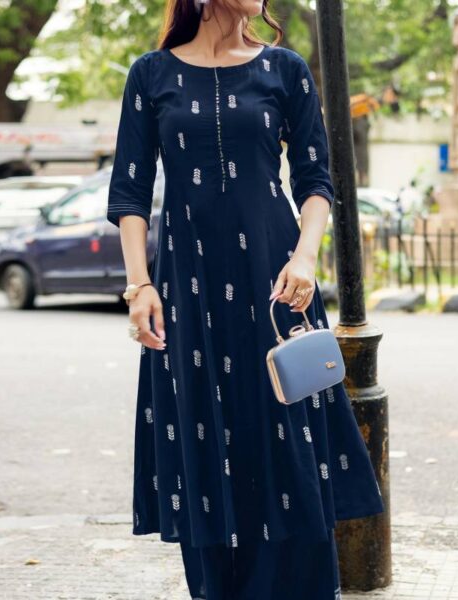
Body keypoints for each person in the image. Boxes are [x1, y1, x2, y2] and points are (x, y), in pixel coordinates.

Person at [106, 0, 386, 598]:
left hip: (275, 280)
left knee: (287, 433)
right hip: (186, 288)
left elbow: (316, 178)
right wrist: (139, 285)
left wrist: (305, 257)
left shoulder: (284, 69)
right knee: (201, 431)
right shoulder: (151, 74)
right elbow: (130, 190)